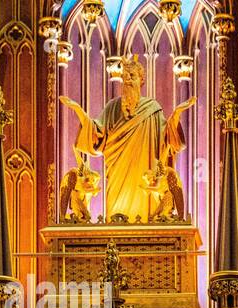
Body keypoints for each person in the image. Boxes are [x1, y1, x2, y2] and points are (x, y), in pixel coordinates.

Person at [59, 55, 193, 222]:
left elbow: (167, 140)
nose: (128, 80)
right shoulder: (111, 108)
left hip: (145, 175)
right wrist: (79, 111)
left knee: (146, 215)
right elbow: (95, 133)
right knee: (115, 220)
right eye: (125, 76)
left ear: (141, 80)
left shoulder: (153, 109)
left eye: (132, 76)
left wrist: (177, 114)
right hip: (116, 175)